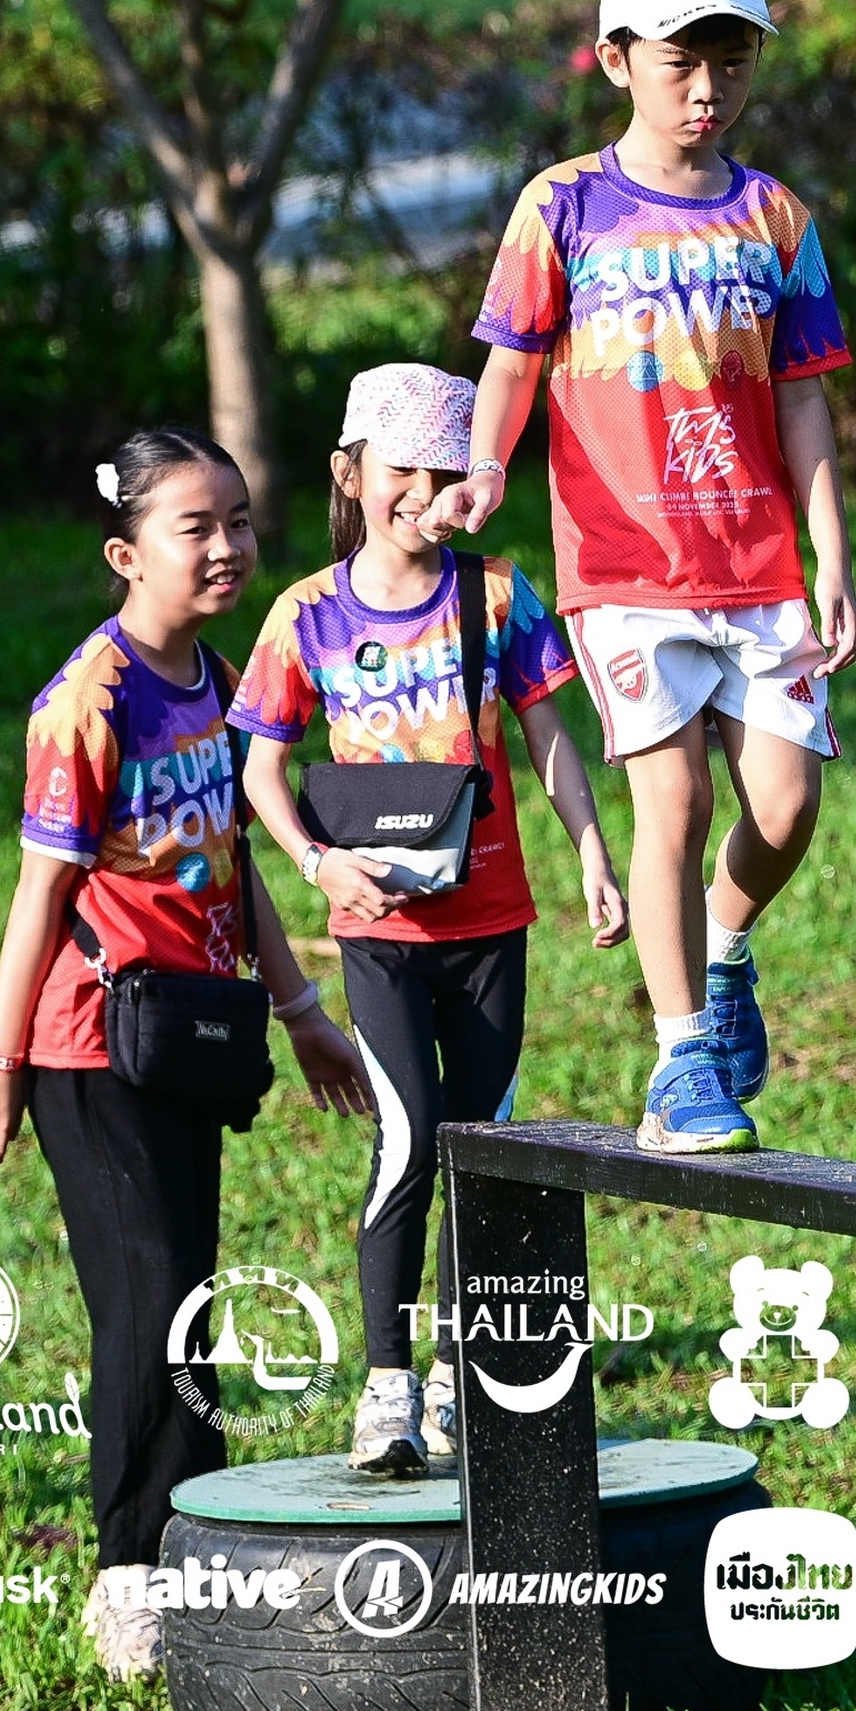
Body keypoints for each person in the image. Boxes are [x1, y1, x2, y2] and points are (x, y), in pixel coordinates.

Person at [0, 430, 374, 1682]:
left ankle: (196, 1546)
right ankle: (128, 1571)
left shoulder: (219, 680)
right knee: (143, 1300)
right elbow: (41, 889)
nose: (230, 544)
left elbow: (234, 866)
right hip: (88, 1045)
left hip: (189, 1031)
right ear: (125, 552)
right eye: (198, 525)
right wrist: (0, 1055)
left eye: (238, 518)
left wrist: (301, 1009)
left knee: (186, 1298)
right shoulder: (89, 699)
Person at [428, 0, 856, 1158]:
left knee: (785, 803)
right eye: (680, 60)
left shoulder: (776, 217)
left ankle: (724, 951)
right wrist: (484, 467)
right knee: (670, 795)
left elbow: (803, 398)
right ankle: (680, 1062)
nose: (706, 87)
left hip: (759, 563)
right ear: (616, 60)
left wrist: (831, 553)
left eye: (731, 60)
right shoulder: (561, 205)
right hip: (623, 565)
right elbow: (511, 363)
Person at [234, 365, 629, 1476]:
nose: (421, 492)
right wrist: (319, 864)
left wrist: (593, 852)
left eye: (445, 473)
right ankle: (386, 1387)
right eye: (399, 470)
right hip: (381, 939)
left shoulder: (498, 594)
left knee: (483, 1147)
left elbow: (548, 733)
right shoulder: (304, 614)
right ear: (349, 474)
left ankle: (462, 1380)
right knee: (408, 1142)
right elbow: (261, 767)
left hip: (492, 923)